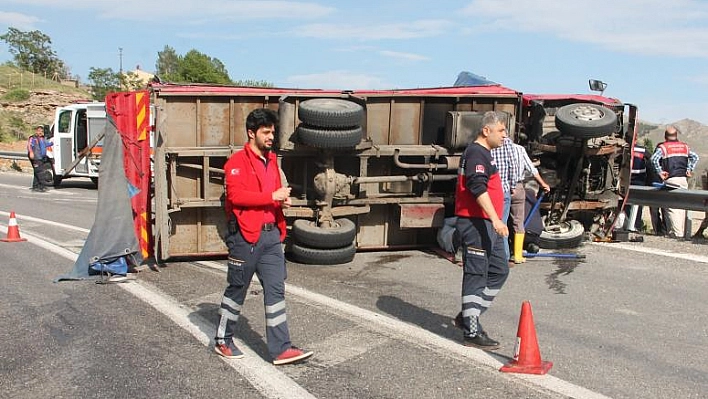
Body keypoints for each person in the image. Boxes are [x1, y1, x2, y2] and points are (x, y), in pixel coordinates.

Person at [214, 108, 313, 365]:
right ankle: (223, 340)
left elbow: (271, 196)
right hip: (246, 237)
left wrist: (281, 202)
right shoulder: (236, 163)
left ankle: (280, 349)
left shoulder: (271, 162)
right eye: (266, 132)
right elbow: (237, 197)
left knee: (276, 291)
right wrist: (272, 197)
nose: (271, 137)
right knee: (237, 288)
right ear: (251, 133)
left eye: (272, 132)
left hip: (271, 238)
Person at [452, 110, 509, 350]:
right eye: (501, 131)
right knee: (476, 275)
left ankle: (468, 314)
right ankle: (471, 331)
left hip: (487, 224)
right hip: (476, 223)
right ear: (486, 131)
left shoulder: (486, 154)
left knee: (499, 270)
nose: (505, 135)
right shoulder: (476, 153)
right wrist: (496, 219)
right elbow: (477, 187)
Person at [650, 126, 699, 238]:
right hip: (683, 179)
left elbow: (653, 159)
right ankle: (681, 232)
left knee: (671, 207)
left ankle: (678, 234)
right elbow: (695, 157)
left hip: (671, 179)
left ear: (665, 136)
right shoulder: (684, 147)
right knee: (681, 206)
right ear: (676, 135)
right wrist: (689, 169)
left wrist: (660, 172)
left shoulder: (663, 147)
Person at [508, 142, 550, 263]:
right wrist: (543, 184)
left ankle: (508, 251)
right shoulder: (519, 149)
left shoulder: (496, 149)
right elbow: (532, 169)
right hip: (535, 231)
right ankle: (519, 253)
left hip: (505, 187)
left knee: (505, 219)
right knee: (518, 220)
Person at [490, 137, 518, 264]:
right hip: (503, 189)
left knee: (488, 224)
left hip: (488, 190)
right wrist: (513, 185)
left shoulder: (484, 142)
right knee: (502, 223)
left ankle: (488, 254)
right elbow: (513, 165)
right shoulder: (507, 143)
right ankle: (504, 257)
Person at [626, 143, 648, 232]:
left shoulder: (625, 148)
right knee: (638, 205)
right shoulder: (642, 149)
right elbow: (651, 162)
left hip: (626, 179)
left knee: (625, 204)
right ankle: (636, 225)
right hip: (639, 180)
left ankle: (627, 223)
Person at [26, 124, 52, 192]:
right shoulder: (33, 138)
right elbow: (29, 146)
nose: (40, 132)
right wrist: (31, 152)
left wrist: (52, 142)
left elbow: (47, 144)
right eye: (38, 130)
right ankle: (42, 186)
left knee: (36, 171)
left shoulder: (42, 138)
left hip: (41, 157)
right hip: (36, 157)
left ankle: (35, 186)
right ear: (36, 131)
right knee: (40, 172)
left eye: (41, 130)